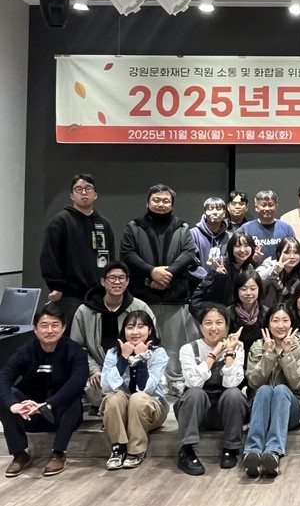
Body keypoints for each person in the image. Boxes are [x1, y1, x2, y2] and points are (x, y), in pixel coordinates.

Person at [120, 184, 199, 397]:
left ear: (172, 204)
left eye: (166, 201)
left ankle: (175, 381)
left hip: (175, 297)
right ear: (148, 203)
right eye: (156, 200)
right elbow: (127, 255)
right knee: (143, 341)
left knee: (175, 344)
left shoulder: (183, 228)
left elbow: (189, 254)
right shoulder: (134, 227)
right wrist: (151, 273)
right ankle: (146, 381)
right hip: (143, 297)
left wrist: (166, 274)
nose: (161, 204)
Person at [0, 303, 89, 477]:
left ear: (63, 328)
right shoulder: (25, 351)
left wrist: (48, 404)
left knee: (73, 397)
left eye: (55, 325)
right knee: (7, 394)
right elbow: (4, 377)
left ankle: (58, 453)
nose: (49, 330)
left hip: (60, 413)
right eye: (44, 325)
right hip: (29, 413)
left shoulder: (75, 351)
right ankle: (20, 454)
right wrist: (13, 405)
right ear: (35, 329)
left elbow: (78, 382)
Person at [70, 261, 155, 409]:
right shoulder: (84, 311)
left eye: (121, 278)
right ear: (103, 281)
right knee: (94, 388)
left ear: (127, 281)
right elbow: (77, 347)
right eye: (112, 278)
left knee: (138, 391)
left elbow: (153, 340)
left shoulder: (140, 307)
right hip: (99, 368)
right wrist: (93, 370)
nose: (117, 282)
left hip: (133, 365)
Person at [176, 305, 247, 475]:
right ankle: (186, 451)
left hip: (224, 414)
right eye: (208, 323)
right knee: (195, 393)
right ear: (200, 327)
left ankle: (230, 448)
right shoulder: (188, 349)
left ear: (226, 326)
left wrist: (229, 352)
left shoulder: (237, 348)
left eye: (219, 323)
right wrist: (213, 354)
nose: (213, 328)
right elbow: (194, 382)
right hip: (195, 413)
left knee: (234, 394)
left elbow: (231, 383)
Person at [40, 173, 115, 327]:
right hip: (69, 296)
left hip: (98, 295)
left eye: (88, 188)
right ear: (72, 196)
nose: (84, 192)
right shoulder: (60, 222)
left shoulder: (104, 224)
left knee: (97, 337)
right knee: (71, 338)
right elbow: (50, 257)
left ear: (95, 194)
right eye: (78, 189)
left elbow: (110, 258)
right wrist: (56, 286)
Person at [243, 306, 300, 478]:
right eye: (275, 320)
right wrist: (269, 354)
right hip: (263, 408)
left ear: (291, 323)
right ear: (268, 324)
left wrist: (287, 353)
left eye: (285, 320)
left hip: (293, 408)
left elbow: (297, 383)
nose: (280, 325)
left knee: (281, 390)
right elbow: (254, 382)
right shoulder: (258, 346)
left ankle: (273, 451)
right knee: (264, 389)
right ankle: (252, 451)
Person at [100, 310, 168, 470]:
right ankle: (118, 448)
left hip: (150, 410)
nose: (135, 332)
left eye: (141, 326)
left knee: (137, 398)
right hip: (122, 413)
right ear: (124, 331)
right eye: (130, 327)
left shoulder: (158, 353)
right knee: (113, 398)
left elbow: (146, 389)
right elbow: (106, 386)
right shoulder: (113, 353)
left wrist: (142, 359)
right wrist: (123, 359)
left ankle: (136, 451)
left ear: (150, 330)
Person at [189, 230, 255, 317]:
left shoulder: (249, 268)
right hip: (209, 311)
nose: (242, 250)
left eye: (246, 245)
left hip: (230, 314)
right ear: (231, 248)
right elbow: (209, 294)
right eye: (238, 246)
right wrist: (219, 277)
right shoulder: (221, 264)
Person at [240, 190, 296, 264]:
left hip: (281, 270)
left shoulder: (286, 229)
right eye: (263, 205)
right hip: (253, 270)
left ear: (276, 207)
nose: (267, 209)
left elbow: (294, 253)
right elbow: (237, 254)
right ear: (256, 207)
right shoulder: (246, 228)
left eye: (270, 205)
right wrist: (251, 258)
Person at [227, 269, 266, 368]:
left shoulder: (266, 313)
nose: (248, 293)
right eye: (243, 289)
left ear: (259, 289)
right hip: (233, 364)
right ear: (237, 290)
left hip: (259, 366)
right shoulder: (227, 313)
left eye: (253, 289)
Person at [189, 197, 230, 279]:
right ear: (205, 213)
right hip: (199, 284)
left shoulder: (229, 236)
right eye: (210, 209)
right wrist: (208, 278)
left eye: (218, 209)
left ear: (224, 213)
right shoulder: (192, 234)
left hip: (222, 282)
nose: (214, 212)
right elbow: (191, 262)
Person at [258, 237, 300, 309]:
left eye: (296, 252)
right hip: (264, 311)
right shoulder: (269, 265)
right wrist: (274, 271)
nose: (292, 256)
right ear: (279, 254)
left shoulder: (299, 275)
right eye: (287, 252)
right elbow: (255, 281)